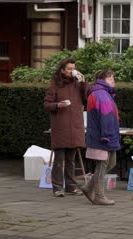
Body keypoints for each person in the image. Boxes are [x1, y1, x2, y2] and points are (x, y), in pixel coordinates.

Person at [43, 58, 87, 197]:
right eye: (69, 69)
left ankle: (71, 186)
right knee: (59, 159)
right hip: (61, 126)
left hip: (75, 126)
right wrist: (58, 105)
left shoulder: (77, 83)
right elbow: (46, 104)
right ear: (62, 70)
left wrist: (84, 81)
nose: (72, 71)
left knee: (71, 160)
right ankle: (57, 187)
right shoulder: (55, 85)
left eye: (73, 68)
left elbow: (88, 96)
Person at [81, 70, 120, 205]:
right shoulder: (101, 95)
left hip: (104, 135)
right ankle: (99, 196)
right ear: (102, 80)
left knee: (111, 163)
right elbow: (106, 117)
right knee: (102, 165)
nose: (113, 81)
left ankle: (88, 187)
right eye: (111, 78)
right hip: (103, 137)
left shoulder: (101, 93)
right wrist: (107, 136)